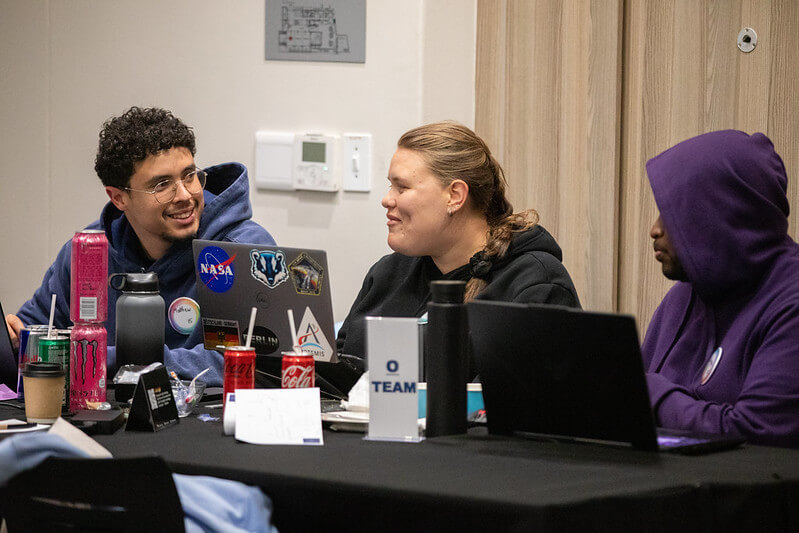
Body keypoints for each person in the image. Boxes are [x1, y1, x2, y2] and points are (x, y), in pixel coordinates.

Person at [5, 107, 275, 386]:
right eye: (162, 185)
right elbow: (34, 332)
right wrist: (15, 338)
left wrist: (112, 360)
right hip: (101, 412)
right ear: (119, 198)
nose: (185, 195)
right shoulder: (88, 253)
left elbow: (258, 363)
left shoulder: (246, 251)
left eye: (189, 175)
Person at [336, 121, 581, 361]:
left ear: (455, 196)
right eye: (391, 186)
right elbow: (340, 368)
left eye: (402, 188)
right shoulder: (388, 273)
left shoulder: (536, 285)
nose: (387, 200)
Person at [642, 130, 799, 448]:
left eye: (673, 214)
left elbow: (755, 435)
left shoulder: (791, 304)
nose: (655, 229)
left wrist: (652, 393)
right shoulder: (683, 295)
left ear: (719, 214)